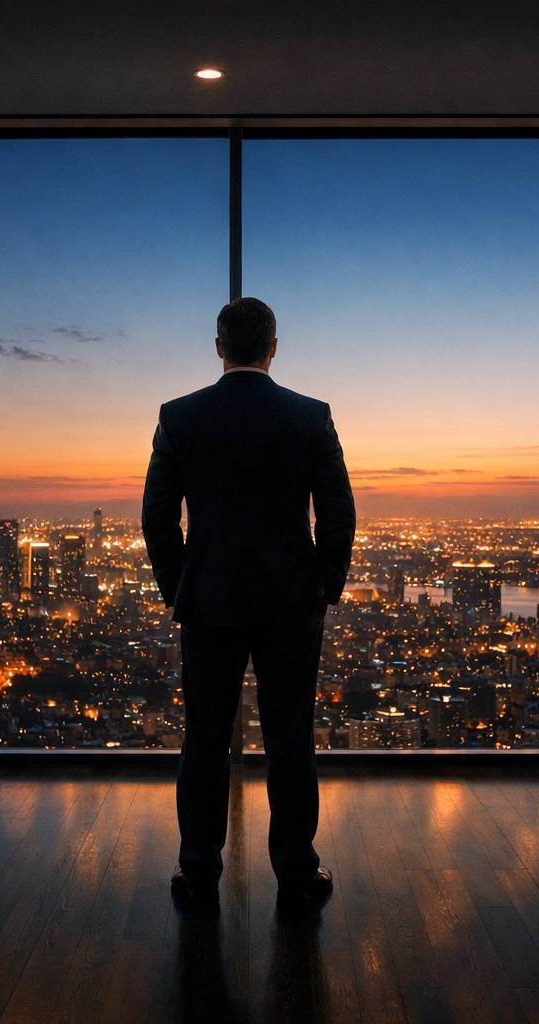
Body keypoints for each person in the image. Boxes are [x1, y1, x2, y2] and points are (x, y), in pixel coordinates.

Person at [142, 296, 355, 907]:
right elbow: (338, 514)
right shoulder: (310, 417)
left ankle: (199, 873)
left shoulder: (180, 417)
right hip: (291, 602)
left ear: (218, 348)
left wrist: (183, 584)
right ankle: (294, 873)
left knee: (204, 739)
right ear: (273, 348)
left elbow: (157, 516)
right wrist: (323, 585)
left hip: (209, 602)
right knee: (292, 740)